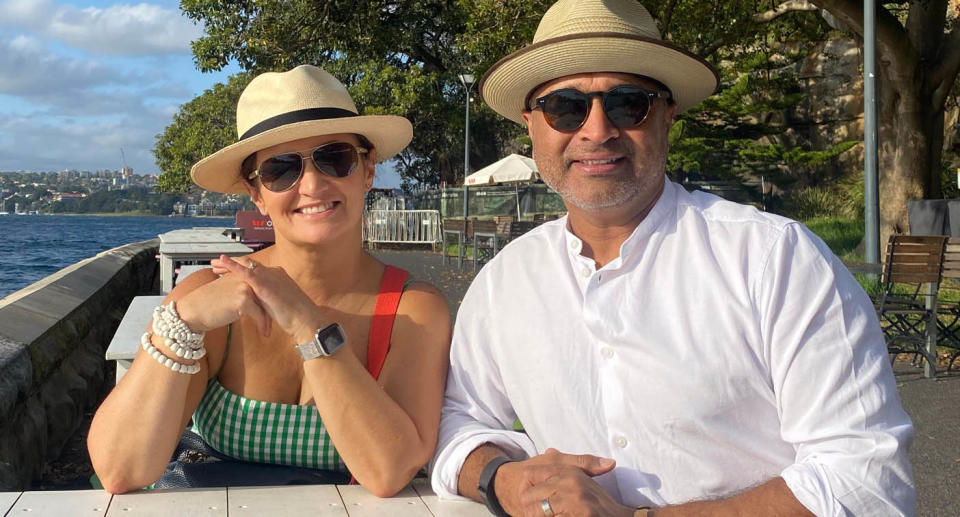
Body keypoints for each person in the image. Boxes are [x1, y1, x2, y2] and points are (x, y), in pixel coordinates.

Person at [430, 1, 915, 516]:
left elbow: (867, 480)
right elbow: (458, 419)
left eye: (627, 104)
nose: (596, 130)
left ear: (667, 114)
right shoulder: (507, 281)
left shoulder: (774, 259)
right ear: (533, 125)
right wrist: (500, 479)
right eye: (566, 107)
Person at [88, 65, 451, 496]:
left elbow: (388, 471)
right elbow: (120, 469)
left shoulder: (412, 311)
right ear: (256, 192)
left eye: (335, 157)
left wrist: (307, 325)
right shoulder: (209, 300)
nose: (314, 184)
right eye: (281, 169)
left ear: (367, 170)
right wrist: (181, 320)